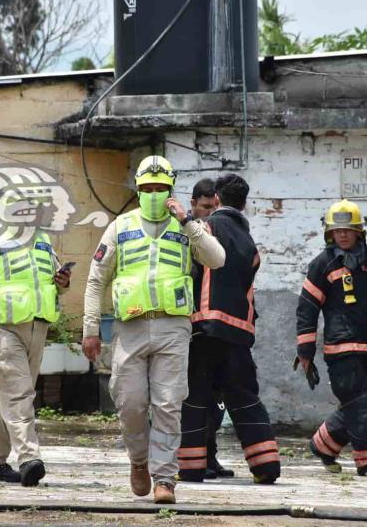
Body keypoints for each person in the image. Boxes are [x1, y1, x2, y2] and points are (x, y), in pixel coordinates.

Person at [82, 155, 225, 504]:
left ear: (171, 189)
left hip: (173, 326)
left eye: (161, 188)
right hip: (129, 327)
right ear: (138, 190)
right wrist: (90, 327)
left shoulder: (188, 225)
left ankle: (165, 479)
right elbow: (95, 279)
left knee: (167, 404)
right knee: (130, 402)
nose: (154, 194)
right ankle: (138, 461)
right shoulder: (121, 226)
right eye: (148, 188)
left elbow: (217, 259)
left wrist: (189, 222)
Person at [178, 175, 281, 485]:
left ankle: (192, 468)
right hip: (239, 334)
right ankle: (266, 466)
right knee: (245, 399)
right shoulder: (250, 244)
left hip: (205, 329)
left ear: (218, 200)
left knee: (196, 398)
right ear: (245, 204)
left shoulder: (206, 228)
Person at [0, 215, 71, 487]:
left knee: (10, 393)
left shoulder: (43, 242)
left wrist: (63, 281)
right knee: (19, 393)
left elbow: (54, 283)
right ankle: (29, 457)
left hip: (37, 329)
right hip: (2, 330)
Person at [296, 199, 367, 477]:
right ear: (329, 233)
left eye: (348, 230)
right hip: (340, 350)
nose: (342, 234)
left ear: (359, 232)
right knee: (361, 404)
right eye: (337, 230)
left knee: (365, 401)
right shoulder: (322, 265)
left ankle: (323, 445)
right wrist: (305, 350)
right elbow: (307, 308)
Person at [185, 178, 234, 480]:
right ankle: (194, 458)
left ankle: (210, 457)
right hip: (192, 329)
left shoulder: (218, 236)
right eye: (204, 208)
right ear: (192, 205)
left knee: (216, 399)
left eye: (213, 207)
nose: (209, 213)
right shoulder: (185, 236)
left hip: (215, 329)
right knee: (195, 399)